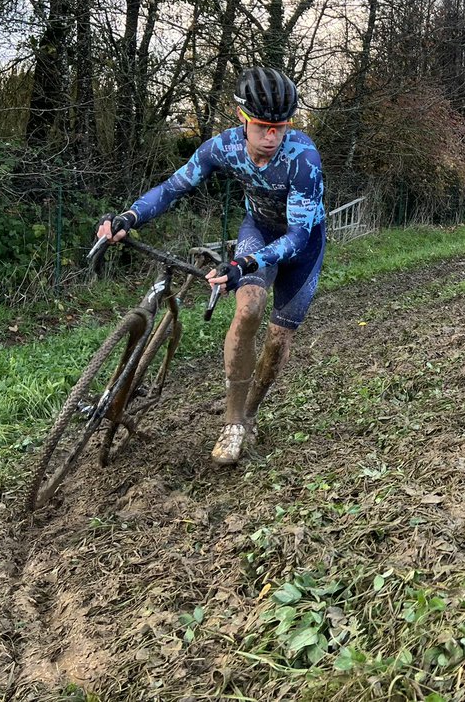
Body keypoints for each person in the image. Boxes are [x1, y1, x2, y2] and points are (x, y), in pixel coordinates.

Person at [98, 66, 326, 465]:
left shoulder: (303, 158)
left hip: (301, 245)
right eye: (262, 127)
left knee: (277, 340)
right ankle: (234, 422)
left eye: (280, 127)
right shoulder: (223, 147)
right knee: (249, 308)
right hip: (258, 227)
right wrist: (130, 217)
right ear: (242, 118)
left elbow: (297, 238)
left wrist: (244, 263)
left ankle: (252, 411)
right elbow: (173, 188)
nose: (272, 137)